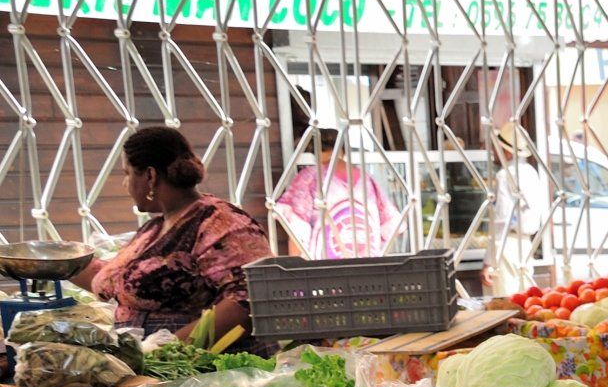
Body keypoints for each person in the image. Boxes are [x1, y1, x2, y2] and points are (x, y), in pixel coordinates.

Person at [73, 126, 272, 344]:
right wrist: (56, 263)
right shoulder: (155, 229)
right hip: (148, 360)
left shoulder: (222, 223)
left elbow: (247, 300)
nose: (125, 184)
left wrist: (169, 349)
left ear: (150, 175)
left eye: (127, 174)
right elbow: (115, 281)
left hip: (201, 368)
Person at [273, 128, 398, 259]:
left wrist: (295, 270)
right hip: (366, 266)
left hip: (327, 268)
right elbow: (391, 226)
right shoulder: (367, 179)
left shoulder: (310, 177)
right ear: (344, 150)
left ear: (315, 152)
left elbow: (296, 230)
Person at [489, 122, 552, 290]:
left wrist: (489, 261)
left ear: (507, 153)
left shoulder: (504, 175)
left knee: (507, 303)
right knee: (525, 299)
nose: (493, 152)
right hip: (526, 243)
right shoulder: (530, 171)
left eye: (497, 148)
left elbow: (503, 218)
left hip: (507, 244)